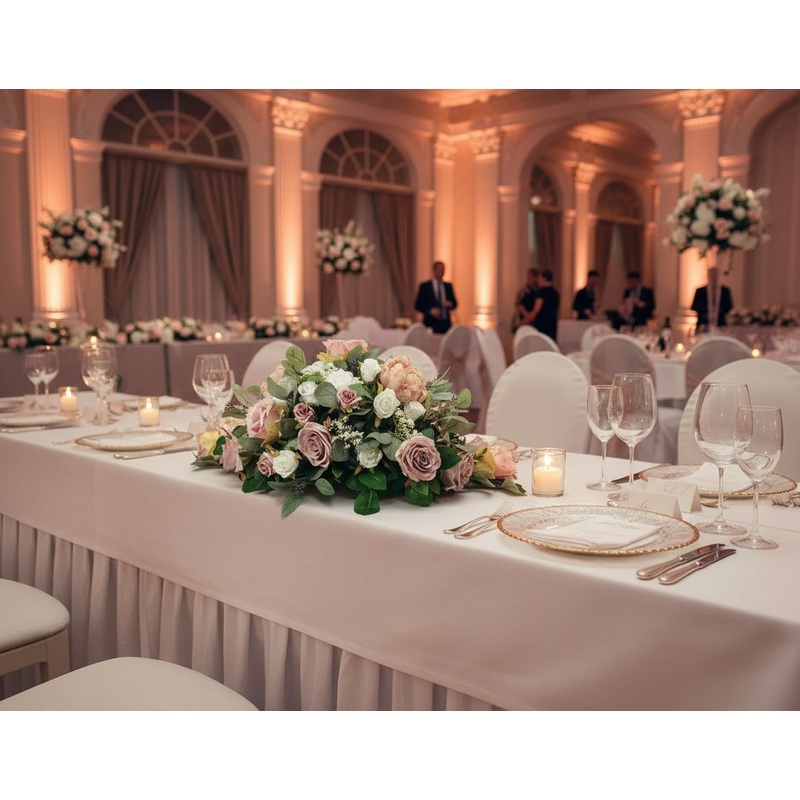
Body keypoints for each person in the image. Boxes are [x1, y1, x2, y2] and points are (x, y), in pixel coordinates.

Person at [415, 260, 457, 334]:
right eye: (440, 270)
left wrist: (450, 304)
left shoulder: (448, 286)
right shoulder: (425, 286)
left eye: (443, 270)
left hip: (445, 323)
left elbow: (455, 304)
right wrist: (430, 311)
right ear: (434, 270)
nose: (441, 272)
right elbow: (418, 305)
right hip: (430, 322)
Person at [519, 269, 560, 342]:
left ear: (544, 278)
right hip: (552, 324)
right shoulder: (555, 292)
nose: (538, 280)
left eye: (539, 278)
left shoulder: (541, 292)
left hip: (542, 325)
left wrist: (527, 320)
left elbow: (536, 309)